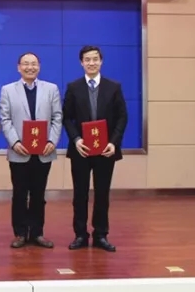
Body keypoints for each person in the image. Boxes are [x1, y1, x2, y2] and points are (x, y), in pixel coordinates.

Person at [63, 45, 127, 253]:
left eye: (95, 59)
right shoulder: (73, 87)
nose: (91, 63)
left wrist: (113, 142)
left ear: (101, 61)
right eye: (87, 59)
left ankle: (101, 235)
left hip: (105, 150)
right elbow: (67, 117)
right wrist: (76, 139)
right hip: (81, 150)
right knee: (79, 194)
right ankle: (80, 234)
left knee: (102, 194)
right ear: (81, 63)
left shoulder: (113, 87)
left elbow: (122, 117)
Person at [0, 53, 62, 249]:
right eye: (25, 64)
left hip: (44, 151)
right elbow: (5, 119)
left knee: (38, 194)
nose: (30, 67)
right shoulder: (8, 90)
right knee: (19, 194)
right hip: (19, 151)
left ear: (39, 67)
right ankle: (20, 233)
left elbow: (57, 117)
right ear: (18, 67)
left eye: (33, 64)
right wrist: (15, 142)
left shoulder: (51, 89)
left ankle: (37, 233)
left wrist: (52, 141)